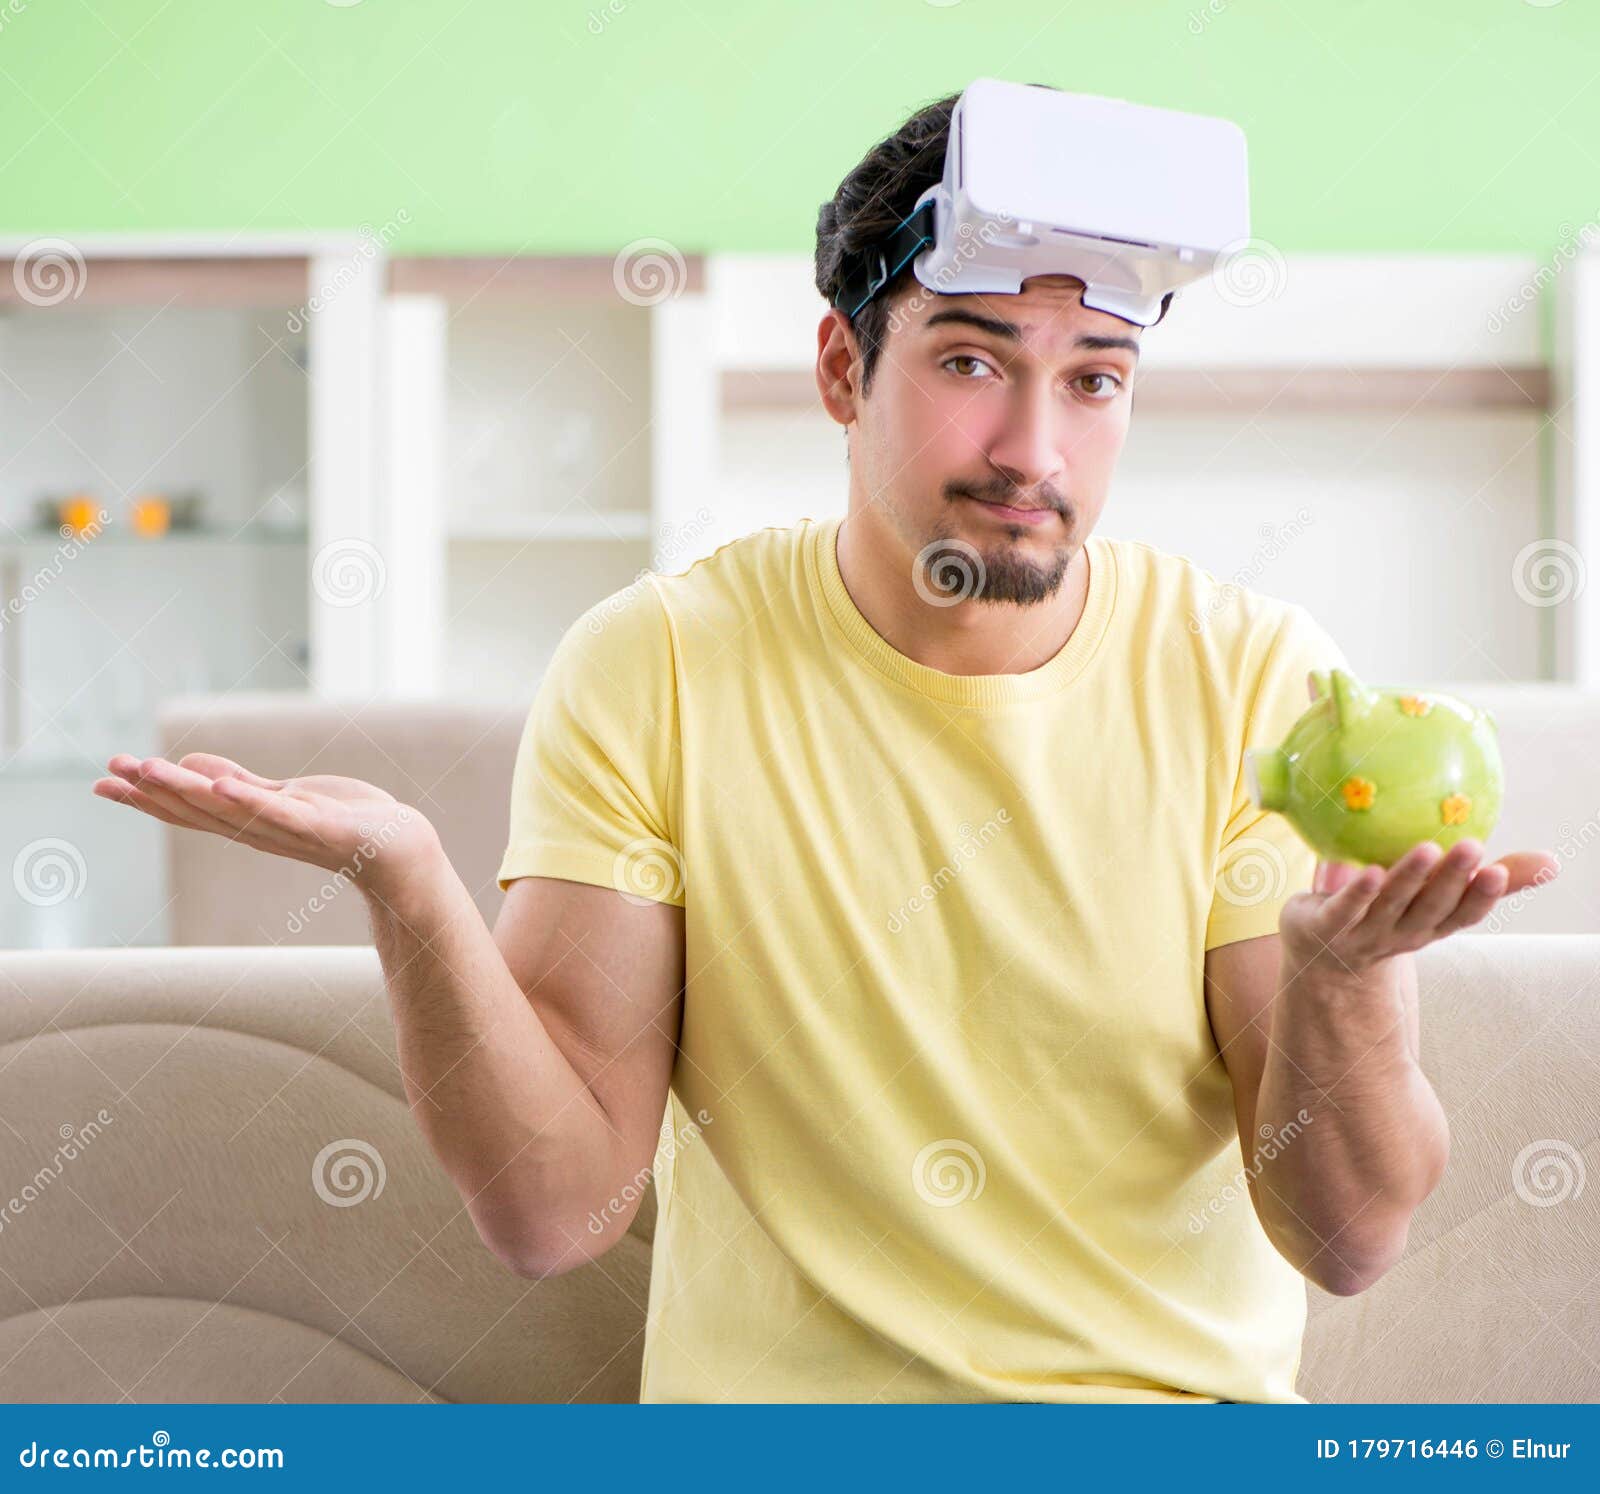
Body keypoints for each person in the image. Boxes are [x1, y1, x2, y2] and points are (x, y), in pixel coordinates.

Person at [92, 87, 1558, 1404]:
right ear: (843, 370)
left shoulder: (1257, 682)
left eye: (1095, 377)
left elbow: (1350, 1237)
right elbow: (552, 1212)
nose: (1036, 449)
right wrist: (411, 884)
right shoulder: (656, 664)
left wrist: (1340, 981)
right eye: (974, 360)